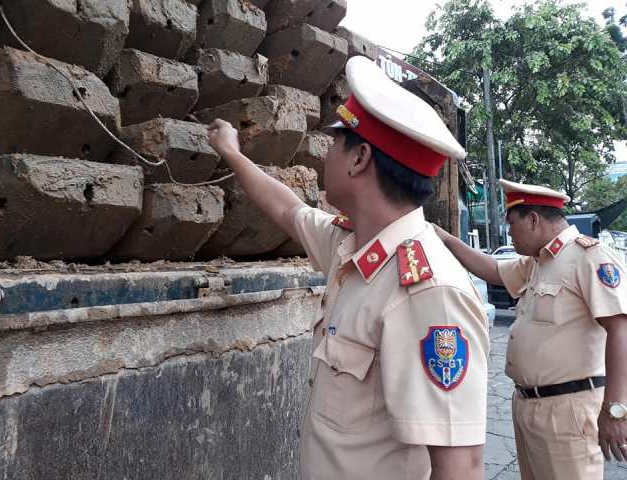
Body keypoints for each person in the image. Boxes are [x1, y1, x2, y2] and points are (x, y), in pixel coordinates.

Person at [208, 56, 489, 480]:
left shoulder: (428, 291)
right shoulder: (352, 246)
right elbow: (289, 210)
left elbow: (460, 466)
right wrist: (231, 153)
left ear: (359, 159)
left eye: (333, 144)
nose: (324, 155)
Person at [435, 179, 627, 479]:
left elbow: (620, 329)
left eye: (512, 224)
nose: (509, 233)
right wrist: (446, 240)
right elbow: (492, 269)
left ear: (534, 219)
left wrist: (616, 410)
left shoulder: (588, 257)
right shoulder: (538, 263)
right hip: (529, 406)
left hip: (568, 411)